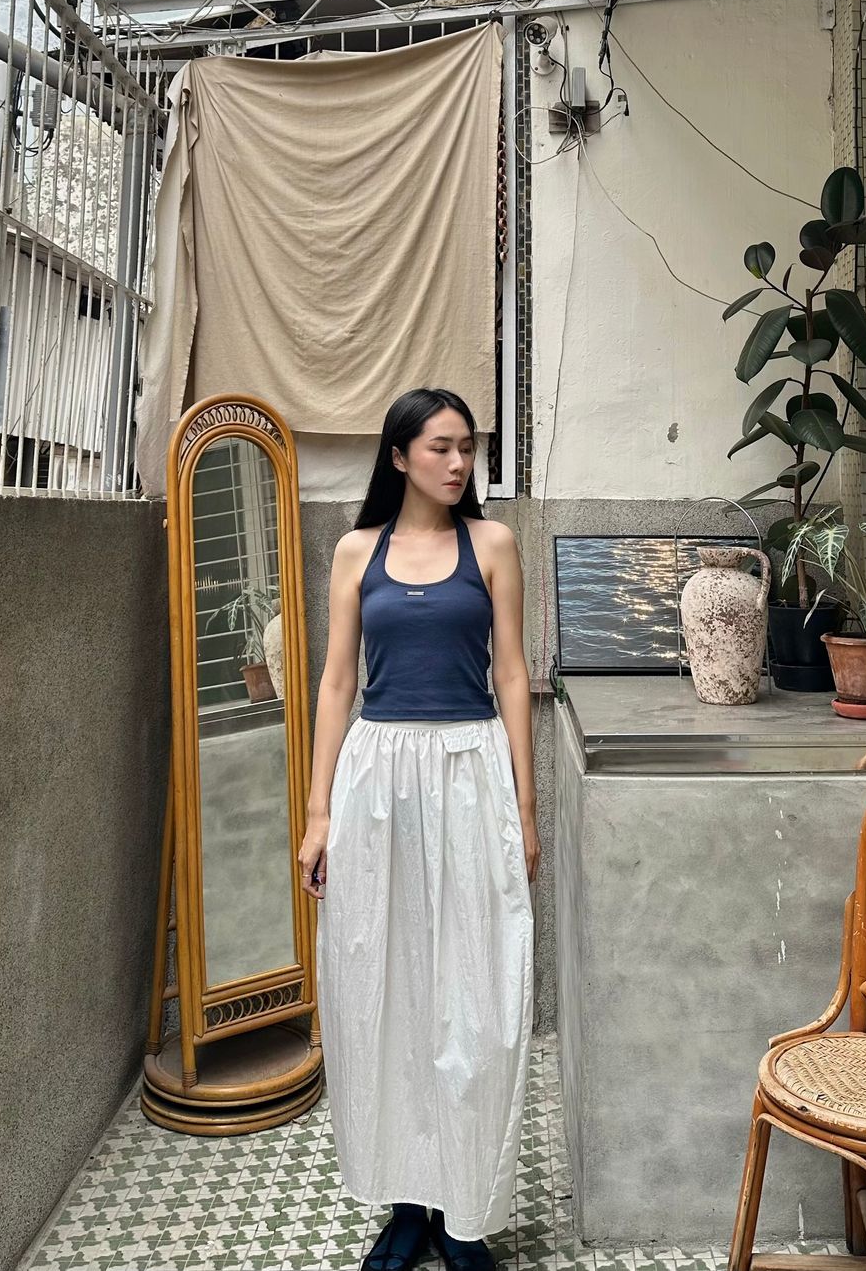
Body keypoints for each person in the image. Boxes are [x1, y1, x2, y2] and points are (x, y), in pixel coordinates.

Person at [298, 387, 540, 1271]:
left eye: (467, 448)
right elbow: (336, 683)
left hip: (471, 773)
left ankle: (462, 1212)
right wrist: (319, 813)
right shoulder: (356, 551)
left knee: (475, 996)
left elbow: (512, 675)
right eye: (441, 447)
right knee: (386, 989)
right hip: (378, 781)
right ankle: (407, 1205)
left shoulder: (494, 544)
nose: (458, 463)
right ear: (398, 456)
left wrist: (525, 809)